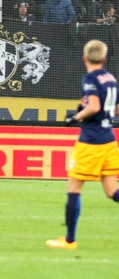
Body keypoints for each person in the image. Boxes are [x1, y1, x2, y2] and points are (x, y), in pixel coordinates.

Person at [47, 39, 119, 250]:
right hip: (109, 140)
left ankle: (69, 240)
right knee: (112, 192)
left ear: (84, 58)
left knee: (74, 187)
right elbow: (115, 109)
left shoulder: (90, 78)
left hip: (91, 142)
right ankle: (69, 239)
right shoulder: (110, 78)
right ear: (104, 59)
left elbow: (95, 106)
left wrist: (76, 116)